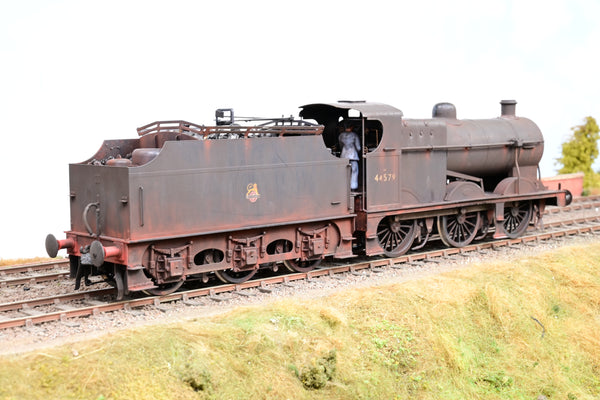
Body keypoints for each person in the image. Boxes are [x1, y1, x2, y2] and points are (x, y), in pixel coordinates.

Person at [338, 124, 361, 190]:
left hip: (344, 156)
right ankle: (353, 186)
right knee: (354, 171)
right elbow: (358, 147)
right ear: (351, 127)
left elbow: (340, 146)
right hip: (353, 156)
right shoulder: (354, 135)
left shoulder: (341, 135)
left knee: (344, 172)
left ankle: (344, 187)